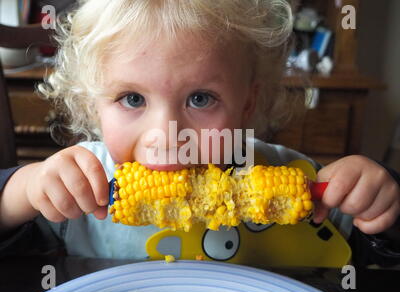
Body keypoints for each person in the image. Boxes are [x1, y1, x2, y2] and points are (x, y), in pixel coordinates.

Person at [0, 0, 399, 267]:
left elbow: (375, 251)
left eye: (201, 98)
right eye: (133, 99)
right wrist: (24, 188)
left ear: (246, 103)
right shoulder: (81, 185)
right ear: (92, 104)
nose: (166, 135)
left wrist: (381, 202)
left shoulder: (291, 173)